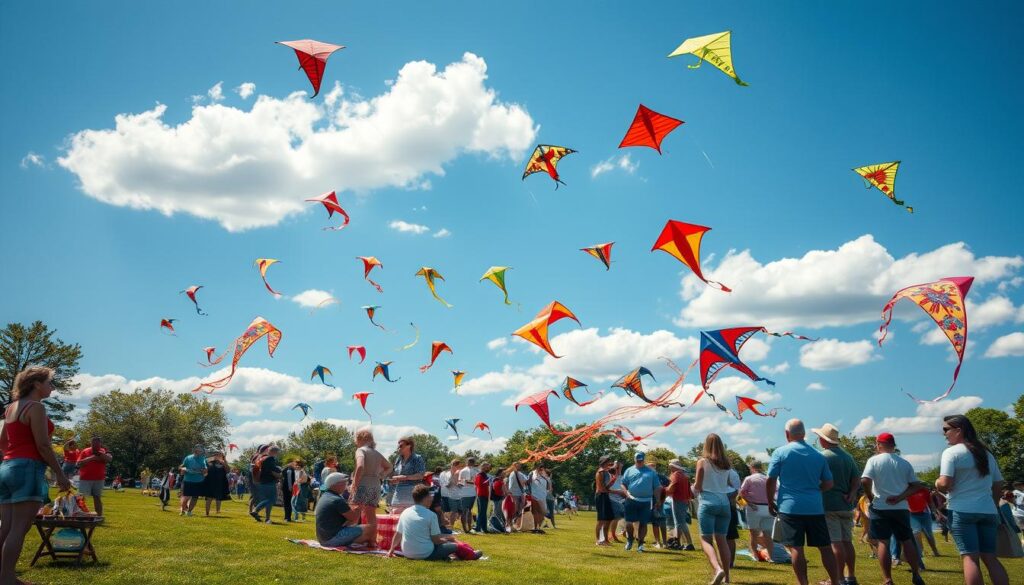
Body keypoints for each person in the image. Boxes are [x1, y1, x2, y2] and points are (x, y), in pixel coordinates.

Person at [0, 366, 72, 585]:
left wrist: (13, 457)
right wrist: (60, 474)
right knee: (19, 528)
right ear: (36, 384)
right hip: (28, 468)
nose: (52, 387)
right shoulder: (36, 408)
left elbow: (2, 443)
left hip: (6, 467)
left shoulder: (11, 408)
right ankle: (8, 578)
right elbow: (43, 444)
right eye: (50, 383)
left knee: (6, 526)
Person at [936, 414, 1009, 585]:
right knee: (990, 558)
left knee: (970, 558)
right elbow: (998, 483)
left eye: (946, 429)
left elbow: (945, 483)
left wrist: (937, 483)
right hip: (988, 511)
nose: (944, 433)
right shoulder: (986, 454)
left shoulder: (951, 453)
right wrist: (993, 503)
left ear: (958, 430)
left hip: (962, 511)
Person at [766, 419, 840, 585]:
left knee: (796, 548)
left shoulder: (780, 453)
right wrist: (814, 490)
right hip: (814, 507)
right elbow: (829, 483)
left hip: (790, 507)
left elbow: (771, 480)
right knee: (825, 547)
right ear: (804, 434)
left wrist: (770, 502)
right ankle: (835, 581)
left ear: (787, 434)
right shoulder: (818, 455)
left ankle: (803, 583)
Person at [861, 432, 926, 585]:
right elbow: (916, 486)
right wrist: (900, 497)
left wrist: (870, 497)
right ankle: (916, 574)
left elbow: (865, 480)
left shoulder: (873, 461)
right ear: (893, 445)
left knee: (883, 542)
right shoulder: (904, 463)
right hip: (900, 507)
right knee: (906, 540)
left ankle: (887, 579)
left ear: (879, 444)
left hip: (880, 506)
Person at [812, 422, 861, 585]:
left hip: (829, 504)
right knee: (847, 542)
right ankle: (851, 576)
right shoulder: (848, 457)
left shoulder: (822, 457)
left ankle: (838, 578)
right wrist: (853, 493)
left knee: (835, 542)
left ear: (823, 439)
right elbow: (856, 479)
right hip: (846, 504)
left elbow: (817, 480)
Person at [388, 484, 483, 560]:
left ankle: (449, 556)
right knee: (455, 546)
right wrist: (449, 540)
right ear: (425, 498)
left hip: (407, 553)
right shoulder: (431, 515)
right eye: (430, 495)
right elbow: (436, 540)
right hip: (425, 553)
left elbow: (398, 534)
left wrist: (391, 550)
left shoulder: (405, 512)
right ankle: (472, 555)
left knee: (449, 540)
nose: (431, 498)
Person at [695, 435, 739, 585]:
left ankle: (717, 569)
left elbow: (698, 486)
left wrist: (692, 491)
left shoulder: (702, 462)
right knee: (722, 540)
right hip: (724, 503)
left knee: (705, 539)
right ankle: (727, 577)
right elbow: (728, 485)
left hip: (708, 501)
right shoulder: (726, 464)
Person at [349, 427, 390, 542]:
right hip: (375, 485)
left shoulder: (360, 450)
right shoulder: (377, 453)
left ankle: (350, 538)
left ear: (360, 438)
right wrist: (381, 475)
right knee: (371, 515)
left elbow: (360, 466)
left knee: (355, 512)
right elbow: (389, 467)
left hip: (363, 484)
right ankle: (372, 541)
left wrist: (354, 484)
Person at [314, 472, 374, 548]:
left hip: (323, 538)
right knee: (370, 528)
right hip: (331, 539)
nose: (346, 486)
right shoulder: (337, 500)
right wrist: (359, 507)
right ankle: (369, 544)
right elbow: (354, 518)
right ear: (337, 484)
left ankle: (356, 543)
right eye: (345, 483)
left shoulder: (326, 496)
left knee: (362, 529)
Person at [621, 451, 658, 552]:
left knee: (643, 523)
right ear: (634, 459)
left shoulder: (651, 472)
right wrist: (626, 493)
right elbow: (623, 484)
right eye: (638, 460)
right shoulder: (629, 470)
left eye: (641, 460)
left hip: (646, 501)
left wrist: (658, 501)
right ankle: (630, 540)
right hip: (631, 499)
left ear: (644, 460)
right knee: (628, 522)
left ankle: (640, 543)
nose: (639, 462)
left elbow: (656, 487)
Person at [740, 461, 773, 560]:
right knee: (768, 535)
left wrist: (747, 504)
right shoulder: (767, 478)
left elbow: (740, 496)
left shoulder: (749, 479)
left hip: (754, 508)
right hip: (767, 508)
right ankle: (771, 557)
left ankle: (755, 556)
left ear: (752, 468)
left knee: (753, 534)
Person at [77, 435, 113, 517]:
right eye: (94, 443)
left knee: (97, 497)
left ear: (100, 444)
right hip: (85, 479)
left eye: (97, 443)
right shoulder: (85, 451)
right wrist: (92, 458)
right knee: (81, 498)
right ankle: (79, 515)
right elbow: (79, 463)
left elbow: (109, 459)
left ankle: (99, 517)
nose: (95, 445)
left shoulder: (104, 451)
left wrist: (100, 454)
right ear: (91, 443)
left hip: (99, 479)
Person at [389, 436, 425, 513]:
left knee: (410, 514)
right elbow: (396, 474)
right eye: (398, 446)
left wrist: (405, 477)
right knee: (394, 512)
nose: (398, 448)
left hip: (412, 491)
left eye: (401, 446)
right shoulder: (398, 459)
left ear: (409, 446)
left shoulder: (417, 458)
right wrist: (393, 480)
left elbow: (421, 475)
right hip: (398, 491)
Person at [667, 458, 695, 551]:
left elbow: (672, 487)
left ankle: (690, 543)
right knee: (678, 523)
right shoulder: (684, 475)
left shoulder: (675, 475)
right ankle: (677, 542)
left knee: (680, 522)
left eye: (670, 466)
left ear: (673, 467)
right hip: (685, 500)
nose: (670, 467)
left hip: (678, 500)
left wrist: (664, 491)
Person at [251, 445, 282, 523]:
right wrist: (280, 471)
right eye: (277, 452)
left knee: (267, 500)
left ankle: (267, 518)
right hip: (269, 481)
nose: (278, 454)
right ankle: (256, 510)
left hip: (261, 481)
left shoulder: (261, 458)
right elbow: (273, 470)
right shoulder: (270, 459)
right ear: (274, 452)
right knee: (272, 499)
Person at [907, 486, 941, 557]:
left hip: (925, 514)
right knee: (916, 533)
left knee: (929, 534)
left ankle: (935, 551)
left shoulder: (924, 490)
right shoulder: (906, 490)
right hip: (912, 514)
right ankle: (920, 552)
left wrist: (935, 513)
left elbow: (931, 503)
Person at [178, 445, 207, 517]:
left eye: (201, 451)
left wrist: (203, 470)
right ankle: (183, 509)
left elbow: (205, 470)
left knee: (194, 497)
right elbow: (182, 466)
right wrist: (182, 469)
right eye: (199, 450)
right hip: (187, 480)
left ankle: (189, 511)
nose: (200, 452)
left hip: (198, 481)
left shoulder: (203, 459)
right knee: (186, 497)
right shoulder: (188, 458)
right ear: (195, 450)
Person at [594, 456, 616, 546]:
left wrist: (612, 481)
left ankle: (606, 540)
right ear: (604, 462)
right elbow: (601, 488)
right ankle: (598, 540)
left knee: (609, 518)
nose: (610, 463)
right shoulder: (600, 472)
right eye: (608, 461)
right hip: (601, 496)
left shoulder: (606, 472)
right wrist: (616, 492)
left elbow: (606, 487)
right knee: (601, 520)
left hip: (605, 495)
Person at [203, 450, 231, 516]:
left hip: (220, 483)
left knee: (219, 498)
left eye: (220, 455)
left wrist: (224, 462)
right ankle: (207, 513)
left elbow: (228, 470)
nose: (218, 456)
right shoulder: (210, 462)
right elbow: (204, 461)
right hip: (210, 482)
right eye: (216, 455)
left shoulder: (223, 463)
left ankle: (218, 512)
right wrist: (213, 458)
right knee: (209, 498)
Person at [650, 461, 669, 548]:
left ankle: (660, 542)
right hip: (658, 502)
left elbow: (665, 490)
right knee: (660, 522)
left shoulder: (652, 477)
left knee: (657, 523)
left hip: (655, 502)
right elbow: (666, 490)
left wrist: (660, 502)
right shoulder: (662, 477)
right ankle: (663, 542)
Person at [505, 462, 529, 532]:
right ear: (514, 466)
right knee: (514, 510)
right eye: (517, 465)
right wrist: (510, 494)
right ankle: (509, 524)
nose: (519, 466)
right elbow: (511, 485)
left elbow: (526, 481)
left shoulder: (520, 473)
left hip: (521, 493)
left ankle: (515, 524)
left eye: (519, 465)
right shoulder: (513, 474)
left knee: (520, 509)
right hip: (514, 493)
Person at [459, 457, 479, 532]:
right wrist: (475, 483)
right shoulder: (473, 470)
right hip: (471, 493)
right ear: (473, 463)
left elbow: (461, 482)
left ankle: (466, 528)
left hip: (464, 493)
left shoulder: (463, 470)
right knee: (468, 511)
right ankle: (468, 528)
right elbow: (467, 481)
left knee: (466, 511)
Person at [608, 461, 626, 543]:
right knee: (615, 518)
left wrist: (624, 493)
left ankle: (623, 531)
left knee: (628, 517)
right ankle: (613, 535)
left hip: (622, 500)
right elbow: (605, 489)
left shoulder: (622, 478)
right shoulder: (609, 477)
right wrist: (619, 492)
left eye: (620, 468)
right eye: (617, 468)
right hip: (612, 499)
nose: (619, 469)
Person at [528, 463, 549, 534]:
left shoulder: (543, 475)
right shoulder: (534, 474)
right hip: (537, 496)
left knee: (540, 513)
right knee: (538, 513)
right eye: (540, 468)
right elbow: (528, 482)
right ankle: (536, 528)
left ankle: (537, 527)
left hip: (540, 496)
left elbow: (548, 486)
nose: (541, 469)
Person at [473, 462, 492, 533]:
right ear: (483, 467)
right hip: (481, 495)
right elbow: (479, 484)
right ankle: (479, 527)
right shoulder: (479, 475)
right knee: (482, 512)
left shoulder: (484, 475)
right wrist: (488, 480)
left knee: (483, 512)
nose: (488, 468)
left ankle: (483, 528)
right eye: (487, 467)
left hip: (485, 495)